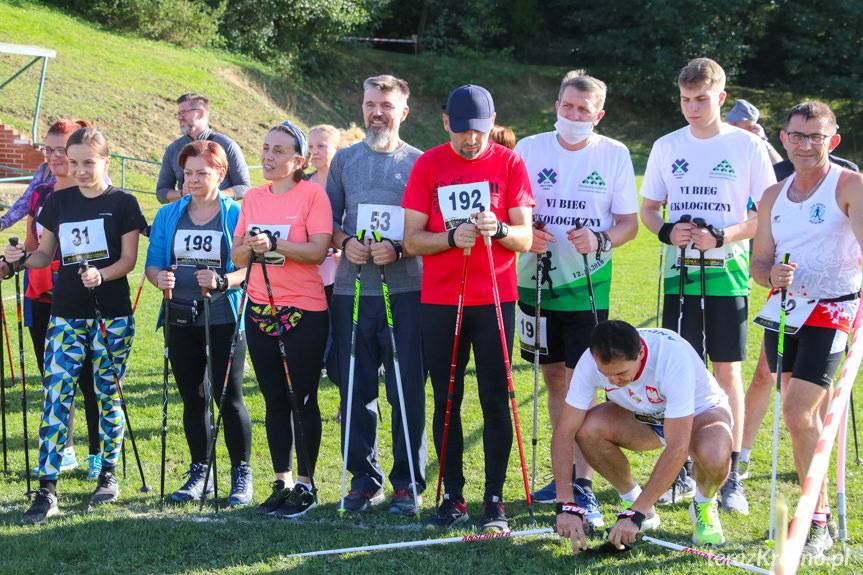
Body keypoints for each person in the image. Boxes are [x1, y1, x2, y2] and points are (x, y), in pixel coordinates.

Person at [639, 58, 776, 514]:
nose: (692, 108)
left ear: (721, 97)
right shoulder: (666, 145)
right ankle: (679, 464)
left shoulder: (746, 145)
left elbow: (765, 212)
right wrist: (666, 231)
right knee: (679, 369)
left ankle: (730, 471)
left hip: (729, 273)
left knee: (726, 369)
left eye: (701, 99)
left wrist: (724, 235)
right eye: (685, 99)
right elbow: (649, 209)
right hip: (678, 274)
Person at [403, 84, 535, 531]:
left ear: (492, 123)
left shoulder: (510, 162)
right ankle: (453, 496)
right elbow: (411, 239)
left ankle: (494, 500)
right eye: (461, 130)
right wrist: (448, 238)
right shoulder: (429, 164)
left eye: (479, 130)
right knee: (447, 399)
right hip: (442, 301)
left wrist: (500, 229)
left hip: (495, 298)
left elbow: (525, 237)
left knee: (496, 398)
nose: (471, 139)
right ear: (446, 123)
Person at [514, 70, 638, 527]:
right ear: (556, 106)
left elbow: (629, 224)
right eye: (566, 106)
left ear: (597, 115)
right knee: (553, 381)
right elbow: (512, 208)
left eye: (582, 110)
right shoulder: (529, 148)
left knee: (583, 380)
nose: (572, 114)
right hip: (534, 283)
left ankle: (582, 483)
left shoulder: (614, 153)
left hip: (587, 287)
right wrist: (526, 233)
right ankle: (563, 471)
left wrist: (601, 239)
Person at [7, 127, 146, 524]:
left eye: (88, 162)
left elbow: (129, 260)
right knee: (56, 395)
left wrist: (102, 275)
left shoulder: (123, 202)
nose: (80, 170)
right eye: (74, 163)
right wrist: (20, 258)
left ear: (106, 161)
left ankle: (107, 473)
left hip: (111, 314)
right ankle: (46, 488)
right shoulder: (58, 202)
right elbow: (44, 255)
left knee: (107, 394)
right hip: (65, 313)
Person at [750, 101, 863, 556]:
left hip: (833, 311)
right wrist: (770, 275)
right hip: (785, 311)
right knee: (802, 419)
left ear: (833, 140)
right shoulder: (772, 196)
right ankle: (818, 513)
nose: (805, 145)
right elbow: (759, 263)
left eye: (816, 136)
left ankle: (816, 521)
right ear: (783, 139)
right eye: (797, 136)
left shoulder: (849, 185)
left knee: (798, 412)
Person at [327, 75, 427, 515]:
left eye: (386, 106)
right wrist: (346, 242)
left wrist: (401, 248)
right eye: (370, 104)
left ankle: (407, 481)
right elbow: (328, 224)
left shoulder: (420, 162)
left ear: (403, 111)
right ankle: (364, 479)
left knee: (405, 390)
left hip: (406, 291)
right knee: (355, 388)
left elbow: (429, 230)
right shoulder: (344, 160)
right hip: (352, 290)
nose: (377, 113)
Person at [553, 321, 732, 551]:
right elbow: (564, 431)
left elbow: (678, 446)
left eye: (621, 373)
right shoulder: (589, 362)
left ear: (640, 353)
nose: (612, 381)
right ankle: (634, 500)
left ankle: (704, 505)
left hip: (700, 414)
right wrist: (565, 503)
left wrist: (635, 514)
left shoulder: (672, 358)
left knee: (714, 455)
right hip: (642, 416)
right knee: (587, 430)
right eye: (605, 374)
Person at [231, 120, 332, 518]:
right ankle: (282, 481)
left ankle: (306, 485)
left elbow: (317, 251)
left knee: (302, 398)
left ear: (298, 161)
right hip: (259, 309)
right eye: (266, 148)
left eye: (278, 151)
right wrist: (251, 247)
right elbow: (237, 255)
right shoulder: (253, 197)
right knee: (274, 399)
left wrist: (276, 244)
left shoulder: (313, 196)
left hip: (304, 310)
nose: (268, 157)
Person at [146, 140, 253, 506]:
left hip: (224, 316)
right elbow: (153, 263)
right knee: (193, 397)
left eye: (201, 173)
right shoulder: (168, 214)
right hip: (180, 315)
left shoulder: (235, 213)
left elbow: (248, 268)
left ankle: (241, 473)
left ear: (220, 174)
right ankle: (199, 471)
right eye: (188, 173)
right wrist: (159, 278)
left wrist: (222, 281)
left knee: (229, 397)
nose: (192, 180)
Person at [0, 118, 103, 480]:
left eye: (63, 150)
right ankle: (65, 450)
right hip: (41, 294)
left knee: (90, 378)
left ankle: (98, 452)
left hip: (84, 295)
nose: (55, 157)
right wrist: (12, 263)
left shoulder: (94, 193)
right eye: (49, 149)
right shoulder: (42, 192)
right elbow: (33, 245)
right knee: (55, 378)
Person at [156, 93, 251, 204]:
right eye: (179, 113)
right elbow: (161, 193)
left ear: (200, 113)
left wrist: (214, 195)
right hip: (184, 213)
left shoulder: (227, 145)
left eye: (184, 112)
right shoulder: (173, 149)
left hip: (221, 213)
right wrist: (182, 194)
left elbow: (244, 188)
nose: (180, 118)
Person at [726, 99, 784, 164]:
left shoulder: (753, 145)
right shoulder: (721, 140)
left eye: (751, 127)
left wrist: (763, 140)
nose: (731, 125)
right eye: (732, 122)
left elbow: (779, 165)